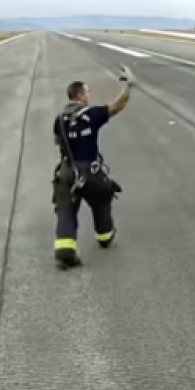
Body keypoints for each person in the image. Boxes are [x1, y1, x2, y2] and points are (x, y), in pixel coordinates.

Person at [52, 66, 134, 270]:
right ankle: (105, 236)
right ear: (80, 95)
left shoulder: (59, 120)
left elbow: (57, 142)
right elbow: (117, 106)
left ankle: (65, 248)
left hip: (66, 171)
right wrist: (129, 87)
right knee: (102, 199)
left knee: (66, 209)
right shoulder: (91, 114)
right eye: (87, 92)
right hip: (89, 172)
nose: (89, 95)